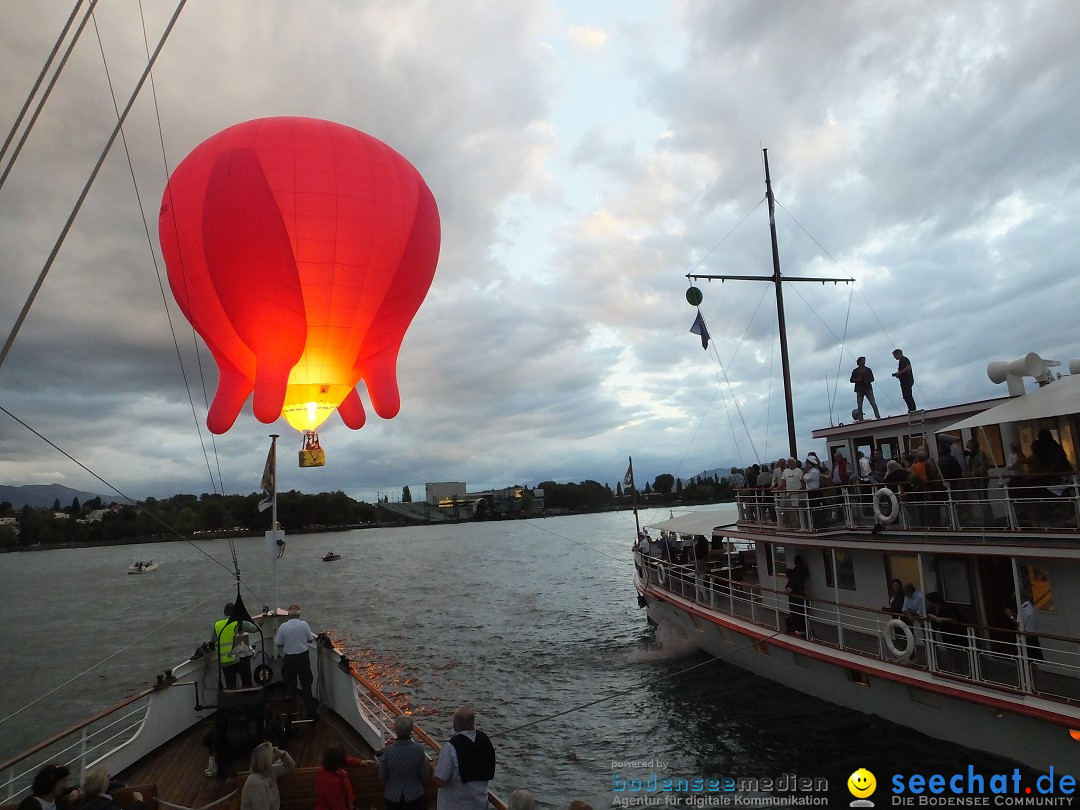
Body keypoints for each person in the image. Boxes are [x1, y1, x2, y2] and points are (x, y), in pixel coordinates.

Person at [433, 706, 495, 810]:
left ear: (455, 723)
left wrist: (434, 766)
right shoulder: (485, 741)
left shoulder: (450, 747)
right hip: (479, 805)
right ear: (473, 722)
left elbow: (440, 781)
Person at [275, 603, 318, 722]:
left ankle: (292, 713)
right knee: (306, 686)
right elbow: (310, 639)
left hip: (289, 659)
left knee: (290, 687)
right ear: (299, 614)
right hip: (303, 658)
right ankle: (311, 714)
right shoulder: (304, 625)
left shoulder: (283, 626)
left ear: (288, 615)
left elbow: (278, 643)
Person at [378, 715, 430, 810]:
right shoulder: (418, 750)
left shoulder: (388, 752)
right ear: (411, 730)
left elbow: (382, 775)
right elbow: (424, 775)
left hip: (393, 797)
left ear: (395, 730)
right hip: (414, 796)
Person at [214, 602, 259, 690]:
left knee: (230, 686)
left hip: (226, 661)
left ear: (224, 612)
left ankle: (234, 702)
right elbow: (255, 628)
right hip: (241, 658)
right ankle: (249, 700)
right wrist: (263, 617)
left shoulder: (217, 625)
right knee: (247, 683)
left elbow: (212, 642)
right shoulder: (238, 622)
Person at [241, 742, 295, 810]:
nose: (275, 753)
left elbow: (290, 766)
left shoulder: (270, 771)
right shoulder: (255, 783)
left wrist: (283, 754)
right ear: (266, 758)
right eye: (272, 752)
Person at [1005, 594, 1043, 662]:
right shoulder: (1031, 607)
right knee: (1035, 661)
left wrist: (1010, 616)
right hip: (1033, 636)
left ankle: (1032, 672)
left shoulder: (1024, 609)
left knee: (1030, 661)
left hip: (1028, 638)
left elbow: (1020, 624)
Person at [784, 555, 809, 636]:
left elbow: (789, 590)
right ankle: (803, 629)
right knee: (801, 615)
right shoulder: (799, 578)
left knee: (796, 615)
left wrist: (783, 592)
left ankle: (798, 630)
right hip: (801, 599)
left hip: (795, 600)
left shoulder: (792, 581)